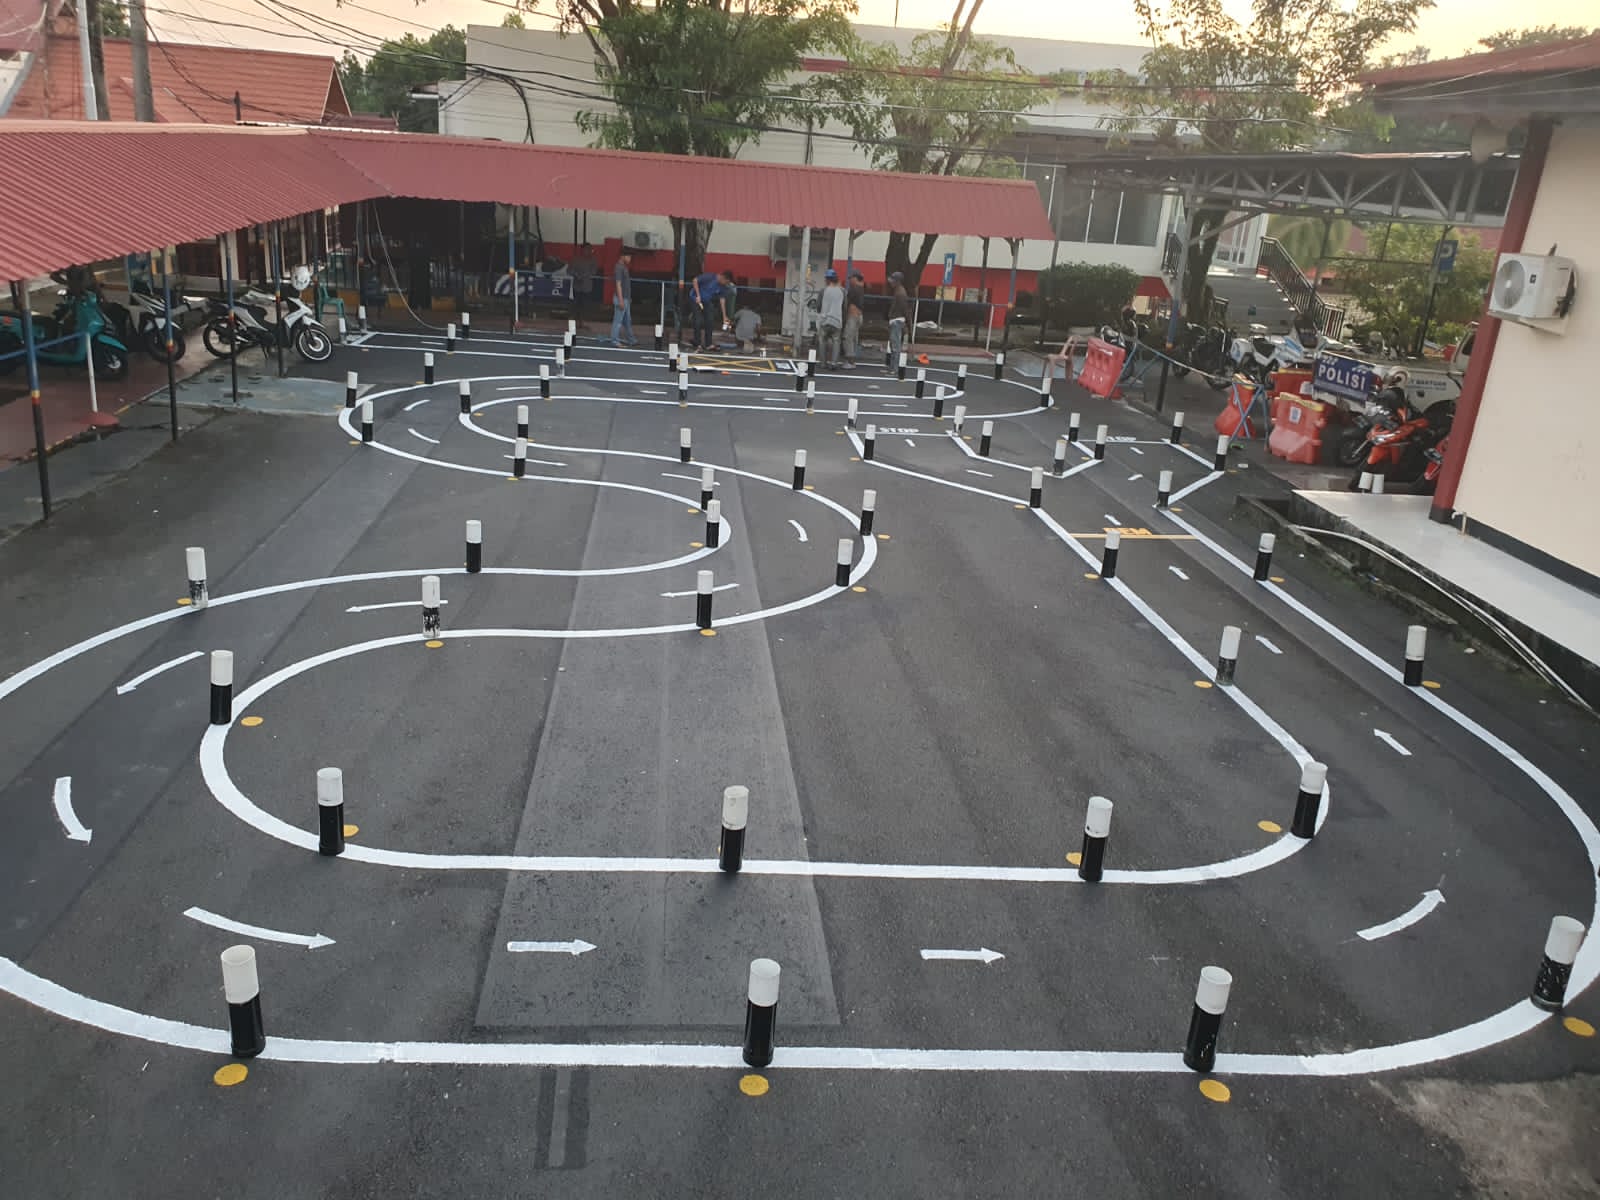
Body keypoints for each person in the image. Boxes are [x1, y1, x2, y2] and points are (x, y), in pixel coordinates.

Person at [610, 248, 639, 347]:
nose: (630, 258)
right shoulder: (619, 268)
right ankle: (615, 340)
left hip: (625, 298)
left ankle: (631, 339)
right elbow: (618, 284)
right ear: (622, 256)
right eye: (628, 256)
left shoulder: (623, 267)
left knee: (627, 321)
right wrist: (621, 300)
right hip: (621, 298)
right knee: (618, 321)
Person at [690, 268, 724, 350]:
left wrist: (724, 315)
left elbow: (722, 299)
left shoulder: (722, 286)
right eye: (726, 282)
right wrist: (698, 295)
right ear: (723, 278)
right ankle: (697, 343)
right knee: (698, 321)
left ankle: (708, 344)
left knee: (710, 320)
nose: (725, 284)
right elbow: (695, 280)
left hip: (707, 301)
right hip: (696, 299)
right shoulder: (710, 277)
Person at [817, 268, 845, 367]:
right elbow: (844, 306)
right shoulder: (842, 291)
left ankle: (823, 363)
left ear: (828, 279)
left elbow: (818, 306)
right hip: (837, 320)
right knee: (836, 341)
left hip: (825, 320)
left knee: (822, 341)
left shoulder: (823, 291)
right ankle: (834, 363)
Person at [571, 243, 599, 328]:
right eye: (586, 249)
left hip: (587, 287)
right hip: (577, 286)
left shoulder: (593, 260)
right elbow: (569, 270)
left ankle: (582, 322)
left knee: (585, 305)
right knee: (576, 304)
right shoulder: (576, 259)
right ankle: (574, 323)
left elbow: (594, 272)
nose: (588, 251)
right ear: (582, 250)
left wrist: (584, 276)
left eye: (590, 249)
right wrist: (576, 275)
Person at [886, 270, 910, 372]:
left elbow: (905, 310)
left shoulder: (900, 293)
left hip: (897, 321)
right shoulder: (899, 291)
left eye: (893, 280)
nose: (891, 282)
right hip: (896, 320)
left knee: (895, 346)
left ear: (897, 281)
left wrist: (908, 324)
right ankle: (893, 367)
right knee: (894, 345)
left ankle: (894, 368)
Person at [842, 270, 865, 369]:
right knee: (853, 338)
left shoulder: (854, 288)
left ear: (855, 278)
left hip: (853, 316)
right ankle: (851, 360)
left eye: (851, 278)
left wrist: (845, 315)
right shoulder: (861, 288)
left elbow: (847, 303)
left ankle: (850, 362)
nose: (850, 280)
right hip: (859, 316)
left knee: (847, 338)